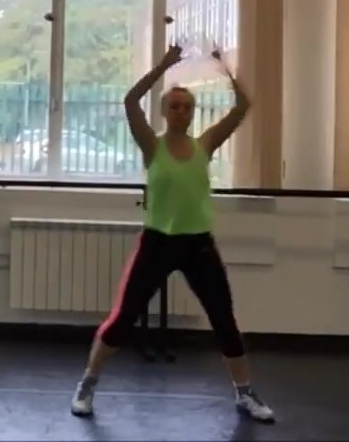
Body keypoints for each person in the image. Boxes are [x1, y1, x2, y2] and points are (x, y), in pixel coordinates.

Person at [69, 44, 275, 423]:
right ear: (165, 111)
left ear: (193, 112)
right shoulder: (152, 146)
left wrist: (225, 68)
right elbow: (130, 101)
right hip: (157, 243)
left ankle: (245, 393)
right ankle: (88, 384)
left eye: (187, 107)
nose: (181, 111)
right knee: (122, 319)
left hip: (199, 246)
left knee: (224, 320)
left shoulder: (205, 145)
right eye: (175, 106)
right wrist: (164, 66)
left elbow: (243, 106)